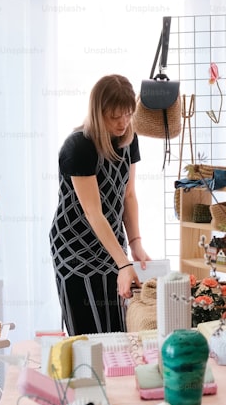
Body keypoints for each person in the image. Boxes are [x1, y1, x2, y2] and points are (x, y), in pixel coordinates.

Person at [50, 74, 151, 335]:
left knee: (115, 328)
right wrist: (124, 263)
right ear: (98, 112)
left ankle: (115, 376)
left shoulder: (130, 138)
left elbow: (128, 195)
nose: (123, 122)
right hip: (74, 246)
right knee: (87, 334)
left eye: (128, 114)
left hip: (110, 241)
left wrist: (135, 243)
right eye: (114, 116)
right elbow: (93, 213)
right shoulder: (79, 146)